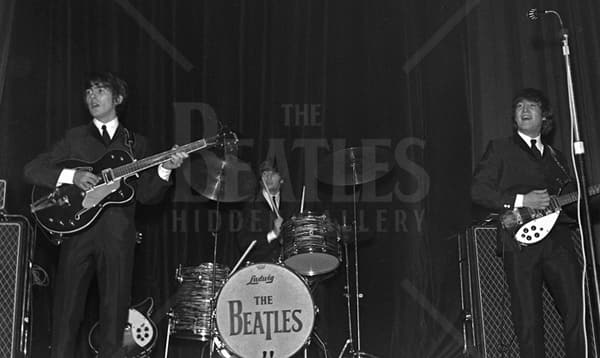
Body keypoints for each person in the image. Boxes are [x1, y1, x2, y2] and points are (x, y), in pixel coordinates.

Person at [24, 72, 188, 358]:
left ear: (118, 98)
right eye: (88, 91)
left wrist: (166, 169)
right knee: (66, 315)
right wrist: (71, 176)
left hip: (118, 239)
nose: (92, 97)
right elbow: (31, 170)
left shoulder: (137, 144)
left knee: (114, 319)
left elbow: (148, 195)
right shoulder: (74, 137)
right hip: (77, 234)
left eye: (100, 90)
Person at [471, 88, 584, 357]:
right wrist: (521, 199)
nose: (524, 110)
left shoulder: (558, 155)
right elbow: (479, 191)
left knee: (577, 311)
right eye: (519, 106)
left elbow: (570, 201)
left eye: (532, 106)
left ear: (544, 117)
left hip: (558, 241)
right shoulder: (499, 149)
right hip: (520, 243)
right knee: (528, 319)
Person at [238, 159, 291, 264]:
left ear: (282, 179)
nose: (268, 177)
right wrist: (273, 234)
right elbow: (243, 242)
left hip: (288, 268)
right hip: (260, 268)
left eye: (273, 173)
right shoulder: (250, 205)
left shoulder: (292, 206)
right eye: (265, 173)